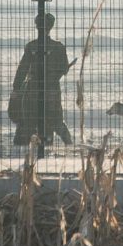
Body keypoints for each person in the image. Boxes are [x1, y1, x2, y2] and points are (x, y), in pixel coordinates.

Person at [11, 13, 73, 146]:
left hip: (33, 89)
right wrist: (54, 75)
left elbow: (23, 69)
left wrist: (16, 88)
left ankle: (23, 146)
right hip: (52, 90)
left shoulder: (31, 46)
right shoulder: (59, 47)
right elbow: (64, 69)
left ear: (37, 26)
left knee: (29, 120)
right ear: (51, 27)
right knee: (55, 120)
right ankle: (68, 145)